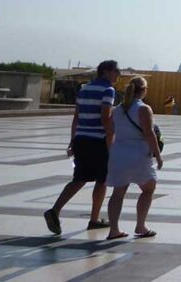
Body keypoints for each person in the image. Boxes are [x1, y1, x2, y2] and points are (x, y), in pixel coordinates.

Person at [44, 60, 121, 235]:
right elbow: (106, 118)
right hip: (98, 141)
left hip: (81, 139)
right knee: (102, 180)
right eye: (117, 71)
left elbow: (76, 117)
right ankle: (94, 219)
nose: (119, 74)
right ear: (106, 72)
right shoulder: (108, 90)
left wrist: (73, 140)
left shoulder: (84, 89)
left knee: (79, 178)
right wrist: (111, 141)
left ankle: (55, 210)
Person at [105, 76, 163, 240]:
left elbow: (110, 133)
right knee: (148, 189)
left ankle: (114, 229)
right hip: (139, 154)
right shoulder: (143, 108)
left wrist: (111, 152)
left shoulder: (117, 110)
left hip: (119, 153)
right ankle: (140, 225)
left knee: (118, 193)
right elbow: (149, 133)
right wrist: (157, 155)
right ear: (143, 90)